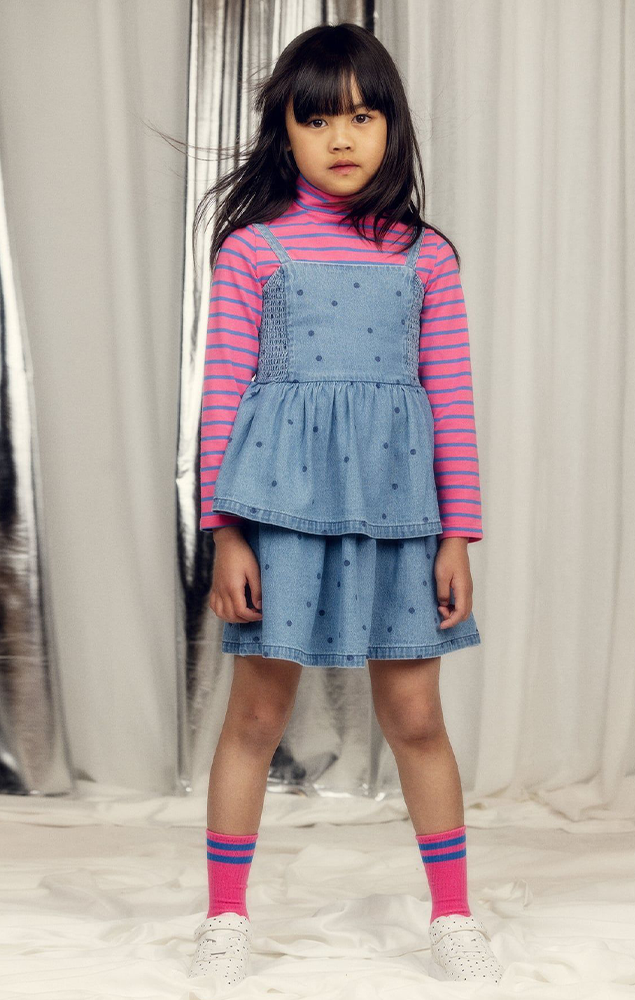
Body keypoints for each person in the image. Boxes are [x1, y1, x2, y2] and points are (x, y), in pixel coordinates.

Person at [190, 22, 504, 988]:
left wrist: (457, 536)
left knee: (416, 716)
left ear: (392, 127)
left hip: (401, 515)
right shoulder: (253, 252)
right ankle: (225, 920)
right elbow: (223, 398)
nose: (341, 137)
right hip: (278, 510)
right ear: (283, 131)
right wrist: (225, 534)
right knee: (255, 717)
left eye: (363, 117)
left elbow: (450, 401)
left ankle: (453, 917)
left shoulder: (425, 258)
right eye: (317, 118)